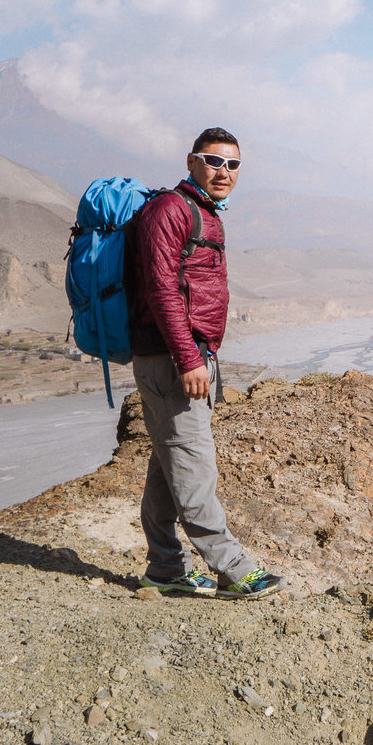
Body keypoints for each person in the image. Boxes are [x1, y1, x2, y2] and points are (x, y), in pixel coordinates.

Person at [127, 127, 283, 600]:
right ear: (191, 161)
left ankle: (165, 569)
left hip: (192, 357)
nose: (224, 172)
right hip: (174, 360)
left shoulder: (205, 213)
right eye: (214, 161)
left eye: (233, 165)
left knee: (168, 465)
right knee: (194, 467)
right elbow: (161, 291)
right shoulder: (171, 210)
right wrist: (188, 357)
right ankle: (235, 571)